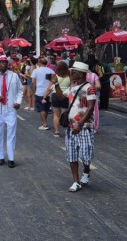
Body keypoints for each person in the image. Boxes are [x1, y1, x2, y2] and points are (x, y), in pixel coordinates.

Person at [52, 62, 96, 192]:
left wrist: (80, 123)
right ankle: (76, 182)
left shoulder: (89, 88)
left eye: (74, 72)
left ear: (81, 74)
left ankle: (86, 172)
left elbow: (91, 106)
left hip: (84, 126)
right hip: (70, 127)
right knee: (72, 155)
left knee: (85, 154)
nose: (71, 74)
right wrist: (55, 84)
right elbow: (60, 97)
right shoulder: (72, 88)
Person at [0, 55, 23, 168]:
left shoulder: (14, 76)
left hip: (11, 109)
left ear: (8, 64)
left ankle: (11, 158)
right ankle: (0, 156)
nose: (4, 64)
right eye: (1, 62)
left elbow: (20, 90)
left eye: (5, 62)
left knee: (11, 134)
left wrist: (18, 102)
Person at [43, 61, 70, 137]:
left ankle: (57, 131)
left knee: (56, 115)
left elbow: (49, 88)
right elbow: (72, 87)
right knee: (64, 114)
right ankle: (66, 129)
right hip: (66, 95)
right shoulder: (69, 76)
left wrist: (45, 97)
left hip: (55, 95)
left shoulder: (55, 76)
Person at [31, 58, 55, 130]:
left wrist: (33, 91)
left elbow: (33, 82)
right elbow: (54, 81)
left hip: (40, 92)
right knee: (46, 108)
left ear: (39, 63)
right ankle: (44, 121)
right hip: (49, 92)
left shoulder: (36, 71)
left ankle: (44, 124)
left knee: (42, 109)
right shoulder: (51, 70)